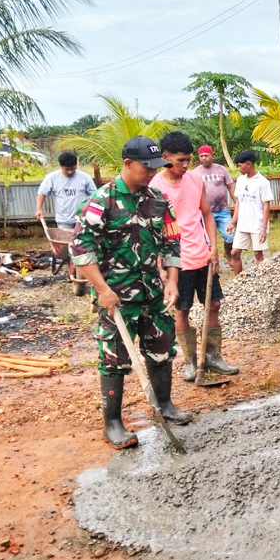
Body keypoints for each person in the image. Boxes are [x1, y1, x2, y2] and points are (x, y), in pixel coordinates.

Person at [69, 136, 192, 450]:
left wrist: (173, 281)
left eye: (155, 168)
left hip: (153, 292)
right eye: (145, 168)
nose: (151, 173)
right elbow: (81, 251)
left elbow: (172, 242)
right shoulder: (102, 201)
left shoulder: (158, 200)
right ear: (127, 164)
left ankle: (163, 405)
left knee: (162, 349)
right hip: (116, 297)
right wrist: (102, 289)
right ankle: (113, 423)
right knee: (114, 359)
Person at [150, 131, 239, 382]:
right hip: (177, 261)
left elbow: (207, 214)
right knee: (182, 310)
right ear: (165, 157)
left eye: (188, 159)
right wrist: (162, 266)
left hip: (202, 254)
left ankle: (212, 356)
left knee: (214, 304)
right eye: (180, 160)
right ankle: (190, 360)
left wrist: (212, 248)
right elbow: (154, 228)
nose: (186, 165)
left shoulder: (195, 180)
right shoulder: (156, 186)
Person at [191, 145, 241, 274]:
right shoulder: (195, 173)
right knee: (208, 239)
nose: (204, 158)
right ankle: (214, 264)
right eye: (201, 156)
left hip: (222, 210)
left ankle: (228, 254)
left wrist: (237, 202)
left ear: (212, 156)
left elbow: (230, 186)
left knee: (230, 236)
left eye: (206, 155)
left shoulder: (221, 170)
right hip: (205, 212)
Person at [225, 149, 273, 267]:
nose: (239, 168)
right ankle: (239, 282)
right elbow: (238, 203)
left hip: (257, 225)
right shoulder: (241, 180)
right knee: (234, 253)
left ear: (249, 164)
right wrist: (233, 223)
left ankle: (260, 282)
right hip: (243, 225)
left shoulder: (263, 182)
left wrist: (263, 228)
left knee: (258, 254)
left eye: (240, 166)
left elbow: (266, 206)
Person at [35, 151, 96, 229]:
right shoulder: (52, 178)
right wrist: (38, 209)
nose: (70, 171)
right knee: (65, 240)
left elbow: (95, 195)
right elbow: (41, 193)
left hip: (82, 220)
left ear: (76, 166)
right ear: (60, 166)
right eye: (67, 169)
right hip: (63, 221)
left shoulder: (85, 178)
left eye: (72, 169)